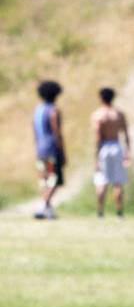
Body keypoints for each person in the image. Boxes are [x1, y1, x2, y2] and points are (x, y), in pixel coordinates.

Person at [91, 87, 131, 217]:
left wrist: (96, 157)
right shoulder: (118, 114)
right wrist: (127, 152)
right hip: (116, 145)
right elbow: (126, 134)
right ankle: (119, 211)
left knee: (102, 180)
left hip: (104, 146)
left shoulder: (98, 115)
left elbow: (97, 137)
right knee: (117, 181)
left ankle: (100, 211)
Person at [32, 80, 66, 220]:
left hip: (40, 148)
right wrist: (62, 151)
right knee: (54, 179)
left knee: (45, 180)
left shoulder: (38, 110)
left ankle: (48, 210)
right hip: (51, 148)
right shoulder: (53, 110)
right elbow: (57, 132)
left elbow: (34, 130)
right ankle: (43, 205)